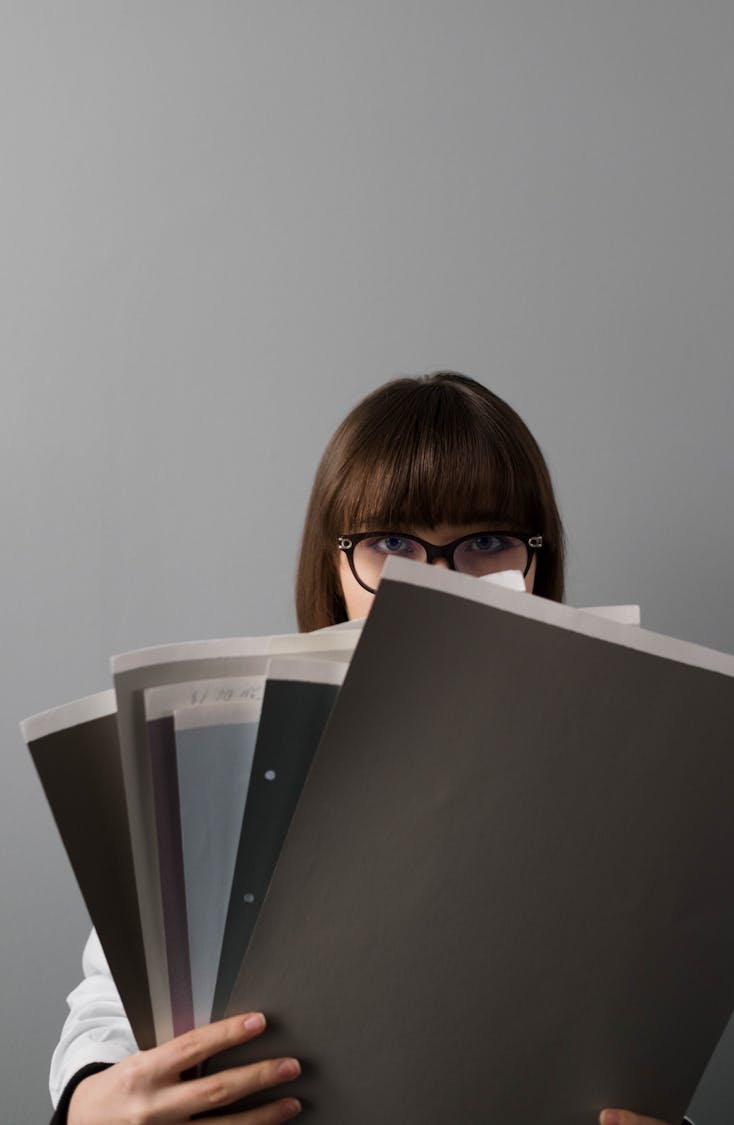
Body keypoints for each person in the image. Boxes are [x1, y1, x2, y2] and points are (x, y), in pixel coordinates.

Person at [50, 372, 683, 1125]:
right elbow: (108, 1013)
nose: (435, 581)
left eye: (486, 542)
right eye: (390, 541)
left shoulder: (627, 779)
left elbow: (650, 1042)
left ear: (536, 560)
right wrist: (92, 1102)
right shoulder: (231, 761)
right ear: (335, 562)